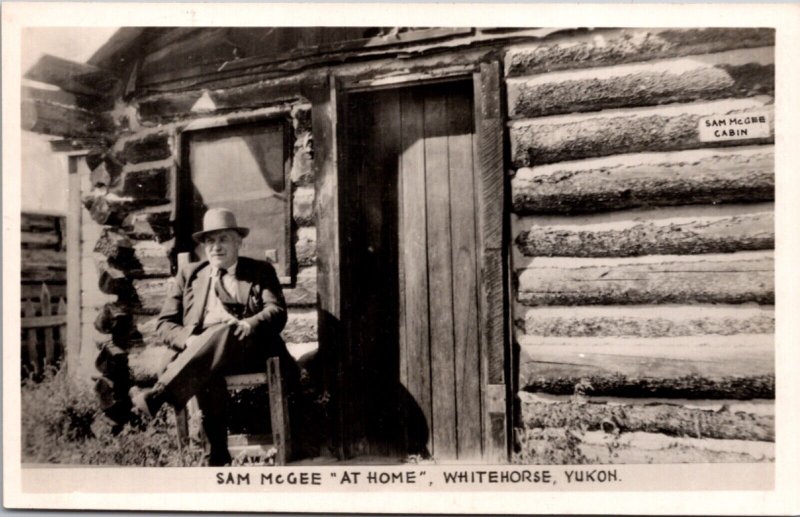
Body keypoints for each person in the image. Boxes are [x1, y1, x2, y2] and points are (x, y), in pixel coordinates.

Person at [129, 207, 292, 466]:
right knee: (209, 362)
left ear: (239, 241)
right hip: (205, 355)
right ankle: (217, 456)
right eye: (210, 241)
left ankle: (159, 395)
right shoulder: (190, 275)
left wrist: (249, 323)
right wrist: (189, 341)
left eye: (223, 239)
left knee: (224, 330)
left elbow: (277, 311)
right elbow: (164, 324)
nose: (216, 247)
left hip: (248, 348)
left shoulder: (259, 271)